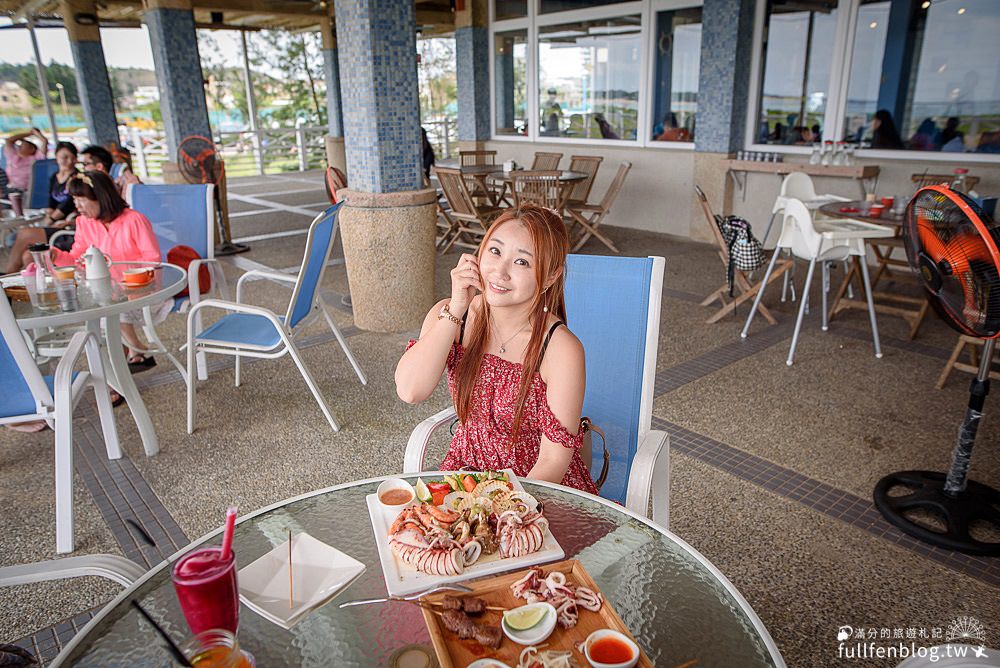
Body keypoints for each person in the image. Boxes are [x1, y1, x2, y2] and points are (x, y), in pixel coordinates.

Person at [395, 204, 598, 494]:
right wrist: (456, 308)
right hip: (464, 475)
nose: (500, 272)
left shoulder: (560, 348)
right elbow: (410, 390)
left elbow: (553, 460)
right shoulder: (452, 316)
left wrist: (499, 509)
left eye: (522, 262)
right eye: (495, 251)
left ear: (551, 276)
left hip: (535, 488)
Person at [50, 171, 165, 372]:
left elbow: (151, 260)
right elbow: (77, 258)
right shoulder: (84, 222)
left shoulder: (134, 220)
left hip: (142, 293)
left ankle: (124, 365)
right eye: (75, 199)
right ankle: (131, 357)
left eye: (81, 199)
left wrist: (126, 287)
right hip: (107, 294)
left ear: (100, 197)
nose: (77, 206)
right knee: (97, 312)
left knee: (105, 314)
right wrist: (56, 255)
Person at [4, 141, 78, 274]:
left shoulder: (76, 179)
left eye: (72, 157)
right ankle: (35, 287)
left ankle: (9, 274)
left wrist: (50, 220)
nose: (69, 161)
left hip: (67, 227)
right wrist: (50, 216)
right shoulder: (54, 177)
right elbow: (51, 204)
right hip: (56, 223)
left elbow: (67, 206)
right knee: (28, 254)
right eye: (64, 157)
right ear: (56, 157)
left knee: (25, 233)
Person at [2, 128, 47, 192]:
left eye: (23, 145)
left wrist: (36, 134)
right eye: (20, 145)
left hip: (29, 191)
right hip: (11, 190)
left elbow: (44, 141)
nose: (20, 147)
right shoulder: (12, 156)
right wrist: (30, 134)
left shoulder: (36, 158)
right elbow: (9, 140)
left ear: (32, 149)